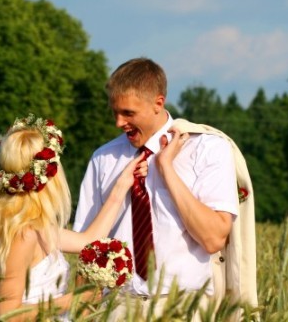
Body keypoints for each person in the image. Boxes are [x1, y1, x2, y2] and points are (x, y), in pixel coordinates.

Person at [72, 57, 242, 320]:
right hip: (116, 306)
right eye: (114, 112)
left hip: (182, 306)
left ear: (158, 103)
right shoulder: (103, 158)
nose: (119, 122)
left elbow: (213, 239)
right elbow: (85, 246)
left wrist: (166, 169)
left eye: (128, 113)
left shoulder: (207, 149)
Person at [0, 114, 148, 321]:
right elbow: (8, 314)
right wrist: (72, 300)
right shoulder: (24, 235)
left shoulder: (37, 226)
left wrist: (122, 185)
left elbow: (88, 241)